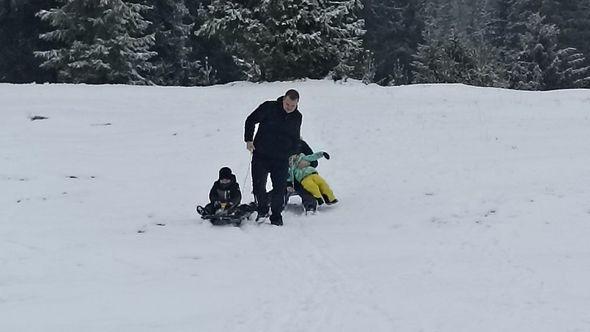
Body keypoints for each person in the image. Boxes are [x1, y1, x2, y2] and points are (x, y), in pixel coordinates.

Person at [244, 89, 303, 226]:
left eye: (292, 106)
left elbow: (295, 137)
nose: (289, 108)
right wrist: (248, 140)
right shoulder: (269, 107)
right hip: (261, 155)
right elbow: (251, 120)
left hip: (281, 158)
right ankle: (262, 210)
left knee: (279, 188)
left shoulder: (297, 117)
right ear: (283, 99)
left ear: (297, 104)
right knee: (259, 186)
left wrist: (294, 152)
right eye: (287, 104)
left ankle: (276, 216)